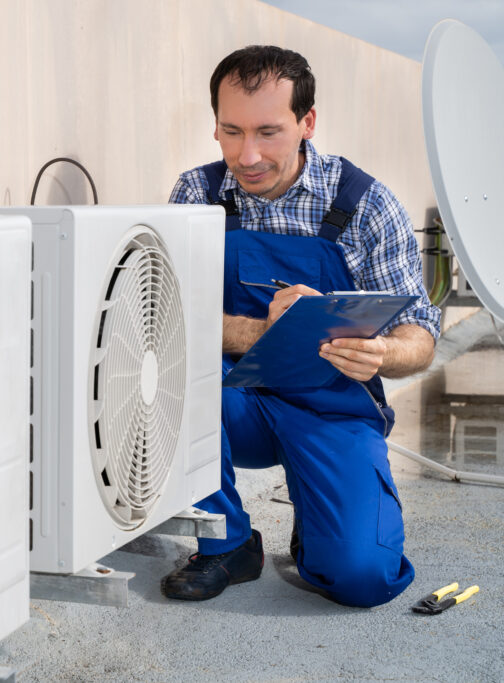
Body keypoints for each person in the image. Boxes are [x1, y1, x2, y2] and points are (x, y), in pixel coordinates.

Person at [163, 45, 440, 608]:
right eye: (231, 131)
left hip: (331, 405)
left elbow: (421, 338)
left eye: (268, 132)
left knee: (362, 577)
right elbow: (166, 314)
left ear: (307, 123)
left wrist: (381, 352)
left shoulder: (364, 205)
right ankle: (227, 543)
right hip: (232, 400)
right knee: (169, 371)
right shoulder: (198, 196)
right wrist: (260, 334)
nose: (248, 155)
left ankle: (321, 532)